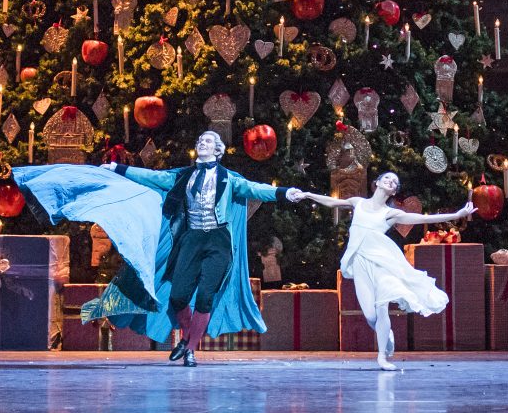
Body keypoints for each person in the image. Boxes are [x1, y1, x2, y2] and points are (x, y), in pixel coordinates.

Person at [16, 131, 305, 367]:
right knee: (178, 297)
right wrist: (119, 168)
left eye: (207, 141)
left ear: (218, 151)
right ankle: (186, 338)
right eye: (200, 140)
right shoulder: (184, 176)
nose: (201, 144)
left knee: (205, 296)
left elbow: (256, 189)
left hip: (218, 243)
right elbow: (153, 177)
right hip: (191, 240)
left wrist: (284, 193)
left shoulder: (230, 179)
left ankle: (191, 348)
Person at [291, 173, 474, 371]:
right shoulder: (358, 203)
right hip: (361, 262)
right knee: (370, 316)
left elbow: (422, 218)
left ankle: (382, 357)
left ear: (393, 191)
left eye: (395, 182)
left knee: (381, 306)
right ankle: (386, 335)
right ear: (377, 183)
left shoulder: (390, 213)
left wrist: (456, 215)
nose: (391, 181)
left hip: (383, 263)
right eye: (387, 178)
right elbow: (332, 202)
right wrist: (308, 195)